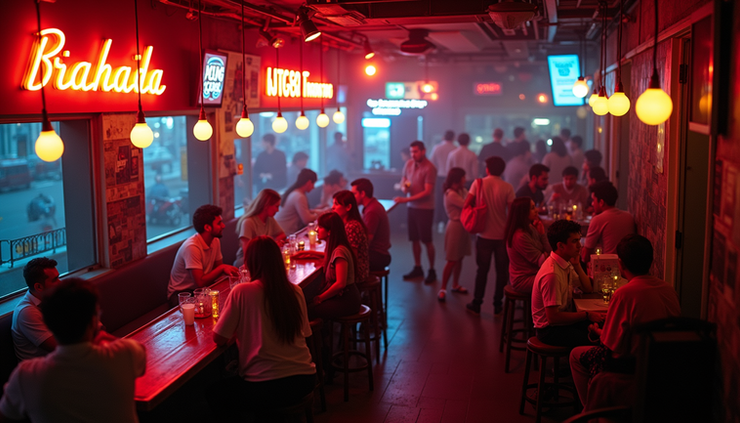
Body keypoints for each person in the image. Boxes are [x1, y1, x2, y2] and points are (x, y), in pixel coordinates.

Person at [0, 278, 146, 423]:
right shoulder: (127, 353)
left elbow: (6, 414)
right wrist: (100, 333)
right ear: (94, 320)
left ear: (49, 324)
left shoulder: (26, 376)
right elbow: (141, 359)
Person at [210, 237, 315, 419]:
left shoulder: (241, 292)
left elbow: (218, 338)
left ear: (250, 262)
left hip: (263, 386)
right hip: (304, 380)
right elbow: (305, 333)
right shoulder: (295, 291)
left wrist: (238, 329)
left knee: (214, 393)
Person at [569, 235, 681, 408]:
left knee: (576, 355)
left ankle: (591, 410)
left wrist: (595, 329)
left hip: (631, 367)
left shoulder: (624, 294)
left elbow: (611, 344)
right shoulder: (669, 289)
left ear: (620, 264)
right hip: (667, 365)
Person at [532, 220, 597, 348]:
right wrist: (587, 315)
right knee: (595, 339)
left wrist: (577, 265)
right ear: (560, 246)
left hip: (560, 324)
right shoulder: (552, 274)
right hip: (549, 331)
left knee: (600, 329)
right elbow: (553, 318)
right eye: (574, 241)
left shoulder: (564, 263)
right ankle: (574, 366)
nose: (580, 245)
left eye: (579, 240)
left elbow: (587, 288)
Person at [465, 156, 515, 316]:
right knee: (502, 272)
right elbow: (512, 212)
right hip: (502, 235)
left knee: (482, 271)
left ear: (487, 169)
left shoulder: (478, 183)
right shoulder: (507, 187)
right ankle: (498, 304)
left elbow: (467, 204)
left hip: (483, 234)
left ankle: (477, 302)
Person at [167, 205, 238, 305]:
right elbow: (200, 282)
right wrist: (222, 268)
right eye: (219, 223)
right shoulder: (192, 247)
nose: (223, 226)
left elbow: (217, 272)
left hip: (202, 290)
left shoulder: (215, 240)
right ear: (207, 227)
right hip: (182, 294)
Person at [394, 141, 437, 284]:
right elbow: (403, 181)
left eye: (416, 152)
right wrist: (404, 188)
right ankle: (418, 267)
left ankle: (432, 270)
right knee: (414, 239)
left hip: (425, 208)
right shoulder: (409, 164)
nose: (413, 155)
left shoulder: (430, 167)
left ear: (423, 151)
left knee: (427, 240)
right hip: (412, 207)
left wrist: (406, 199)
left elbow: (427, 192)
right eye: (412, 152)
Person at [307, 213, 362, 320]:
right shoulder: (334, 247)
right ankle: (324, 334)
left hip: (347, 300)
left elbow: (340, 284)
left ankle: (319, 335)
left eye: (321, 227)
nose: (317, 230)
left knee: (309, 309)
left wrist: (320, 298)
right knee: (308, 304)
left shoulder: (339, 251)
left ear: (329, 231)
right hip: (342, 297)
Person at [12, 257, 60, 361]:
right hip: (41, 373)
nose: (60, 283)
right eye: (55, 280)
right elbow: (59, 348)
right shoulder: (26, 312)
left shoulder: (51, 299)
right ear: (38, 287)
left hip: (60, 365)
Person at [505, 198, 551, 293]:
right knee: (555, 279)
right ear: (524, 212)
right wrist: (542, 235)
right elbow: (543, 261)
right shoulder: (520, 236)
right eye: (533, 208)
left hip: (534, 273)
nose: (537, 210)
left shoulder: (530, 228)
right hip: (523, 280)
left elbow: (548, 252)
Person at [582, 181, 636, 262]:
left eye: (594, 200)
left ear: (601, 202)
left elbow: (585, 257)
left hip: (608, 267)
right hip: (629, 265)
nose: (592, 204)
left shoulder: (598, 219)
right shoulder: (628, 216)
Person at [438, 168, 470, 301]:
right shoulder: (451, 194)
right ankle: (443, 288)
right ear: (458, 179)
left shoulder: (461, 191)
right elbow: (467, 204)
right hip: (455, 226)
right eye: (463, 177)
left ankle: (455, 284)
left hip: (462, 226)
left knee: (459, 257)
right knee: (452, 259)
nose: (465, 179)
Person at [233, 189, 286, 267]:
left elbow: (282, 235)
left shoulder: (269, 219)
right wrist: (270, 247)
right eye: (276, 206)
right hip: (245, 262)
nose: (277, 210)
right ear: (266, 205)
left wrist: (274, 243)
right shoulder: (248, 222)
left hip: (263, 259)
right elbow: (248, 254)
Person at [351, 178, 391, 271]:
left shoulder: (372, 211)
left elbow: (368, 239)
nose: (352, 197)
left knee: (345, 262)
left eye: (354, 194)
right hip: (379, 253)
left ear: (363, 194)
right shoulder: (372, 205)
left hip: (378, 255)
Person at [332, 190, 370, 283]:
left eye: (336, 204)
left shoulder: (352, 226)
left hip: (357, 272)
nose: (332, 207)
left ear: (348, 207)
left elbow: (352, 258)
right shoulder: (345, 223)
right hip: (352, 268)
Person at [275, 168, 319, 234]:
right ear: (309, 182)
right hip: (285, 234)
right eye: (313, 184)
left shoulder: (295, 193)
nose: (313, 187)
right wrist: (319, 214)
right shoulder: (299, 196)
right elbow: (306, 220)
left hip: (281, 232)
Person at [430, 130, 457, 228]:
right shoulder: (455, 148)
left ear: (443, 137)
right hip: (451, 177)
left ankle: (438, 220)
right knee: (450, 199)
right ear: (453, 137)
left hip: (440, 176)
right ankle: (448, 219)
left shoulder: (437, 148)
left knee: (439, 199)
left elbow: (432, 162)